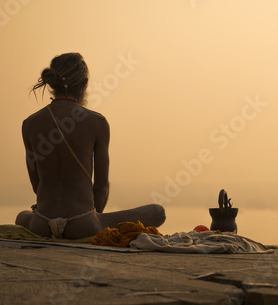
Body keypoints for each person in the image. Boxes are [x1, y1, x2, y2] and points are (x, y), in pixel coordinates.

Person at [15, 53, 165, 239]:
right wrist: (93, 217)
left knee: (21, 217)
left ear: (52, 82)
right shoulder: (97, 122)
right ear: (85, 83)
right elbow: (101, 187)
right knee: (157, 212)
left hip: (42, 224)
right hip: (82, 223)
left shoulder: (29, 123)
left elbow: (36, 185)